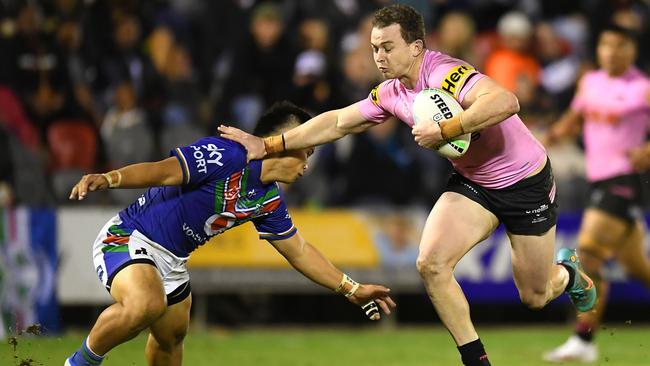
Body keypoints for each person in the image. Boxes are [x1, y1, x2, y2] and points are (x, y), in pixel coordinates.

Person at [218, 5, 597, 366]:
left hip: (525, 182)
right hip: (475, 183)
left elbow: (505, 101)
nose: (378, 57)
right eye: (373, 48)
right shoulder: (391, 93)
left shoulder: (447, 73)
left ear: (416, 47)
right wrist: (267, 144)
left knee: (535, 295)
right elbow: (336, 122)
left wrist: (448, 128)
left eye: (387, 47)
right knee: (431, 264)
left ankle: (566, 272)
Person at [64, 101, 395, 366]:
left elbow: (299, 251)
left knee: (172, 337)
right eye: (306, 150)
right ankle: (79, 363)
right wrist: (110, 178)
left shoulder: (268, 199)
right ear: (287, 140)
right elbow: (163, 172)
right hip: (130, 237)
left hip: (173, 261)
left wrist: (351, 288)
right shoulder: (227, 154)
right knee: (146, 305)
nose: (307, 164)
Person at [542, 24, 650, 363]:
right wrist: (553, 135)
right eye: (606, 44)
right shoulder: (589, 83)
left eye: (620, 45)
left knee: (587, 253)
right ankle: (584, 341)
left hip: (624, 180)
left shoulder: (643, 88)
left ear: (632, 51)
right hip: (598, 180)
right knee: (637, 269)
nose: (612, 51)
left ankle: (583, 340)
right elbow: (574, 118)